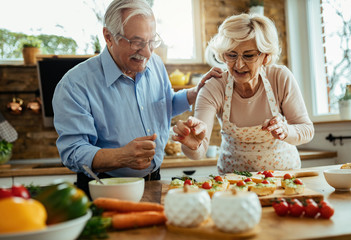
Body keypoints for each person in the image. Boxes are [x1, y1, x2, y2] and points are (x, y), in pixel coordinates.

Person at [52, 0, 222, 197]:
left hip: (153, 180)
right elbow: (72, 152)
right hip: (104, 187)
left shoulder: (155, 63)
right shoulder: (75, 84)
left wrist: (194, 93)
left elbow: (162, 104)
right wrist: (121, 157)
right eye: (137, 43)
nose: (148, 53)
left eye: (151, 42)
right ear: (108, 36)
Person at [172, 13, 314, 174]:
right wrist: (191, 144)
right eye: (231, 55)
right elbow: (198, 151)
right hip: (235, 183)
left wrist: (286, 130)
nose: (239, 64)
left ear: (265, 56)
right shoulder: (214, 87)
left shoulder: (280, 77)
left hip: (283, 179)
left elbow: (306, 130)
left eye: (249, 55)